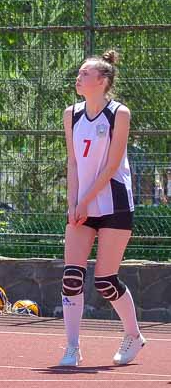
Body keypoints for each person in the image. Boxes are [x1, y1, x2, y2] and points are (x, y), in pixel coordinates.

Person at [59, 50, 144, 367]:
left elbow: (110, 165)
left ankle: (134, 335)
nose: (78, 78)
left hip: (114, 203)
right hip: (81, 204)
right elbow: (72, 161)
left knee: (105, 280)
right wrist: (73, 204)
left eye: (84, 73)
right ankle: (72, 347)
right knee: (71, 276)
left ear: (102, 80)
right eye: (79, 73)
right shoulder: (71, 113)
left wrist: (84, 200)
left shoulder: (119, 113)